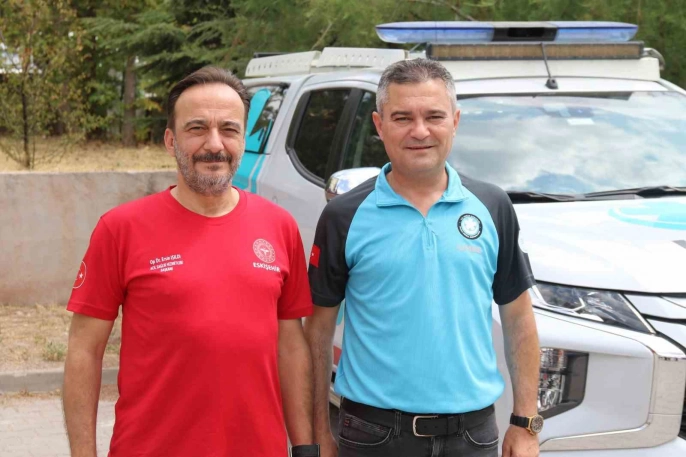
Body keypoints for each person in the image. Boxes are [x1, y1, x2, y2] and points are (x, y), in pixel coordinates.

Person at [63, 66, 319, 457]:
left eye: (229, 129)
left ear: (243, 139)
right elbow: (84, 350)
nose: (214, 144)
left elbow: (291, 347)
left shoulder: (279, 226)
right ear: (171, 140)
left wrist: (304, 446)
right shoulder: (120, 229)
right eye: (197, 128)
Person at [305, 59, 541, 457]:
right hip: (373, 436)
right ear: (379, 125)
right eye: (402, 118)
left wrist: (526, 422)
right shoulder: (343, 216)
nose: (419, 131)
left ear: (455, 121)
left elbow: (518, 316)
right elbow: (317, 332)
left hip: (473, 436)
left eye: (434, 116)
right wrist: (317, 434)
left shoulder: (492, 206)